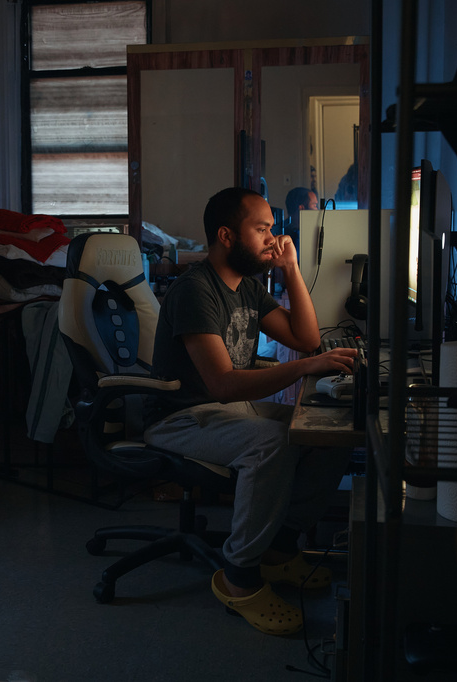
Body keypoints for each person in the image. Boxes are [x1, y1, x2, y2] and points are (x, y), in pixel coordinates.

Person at [143, 186, 357, 636]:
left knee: (329, 428)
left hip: (228, 410)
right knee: (273, 442)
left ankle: (278, 549)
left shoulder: (249, 289)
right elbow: (221, 385)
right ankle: (238, 576)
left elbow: (306, 339)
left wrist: (292, 269)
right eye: (262, 230)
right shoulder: (195, 290)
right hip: (182, 416)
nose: (273, 240)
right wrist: (307, 366)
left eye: (273, 230)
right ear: (227, 235)